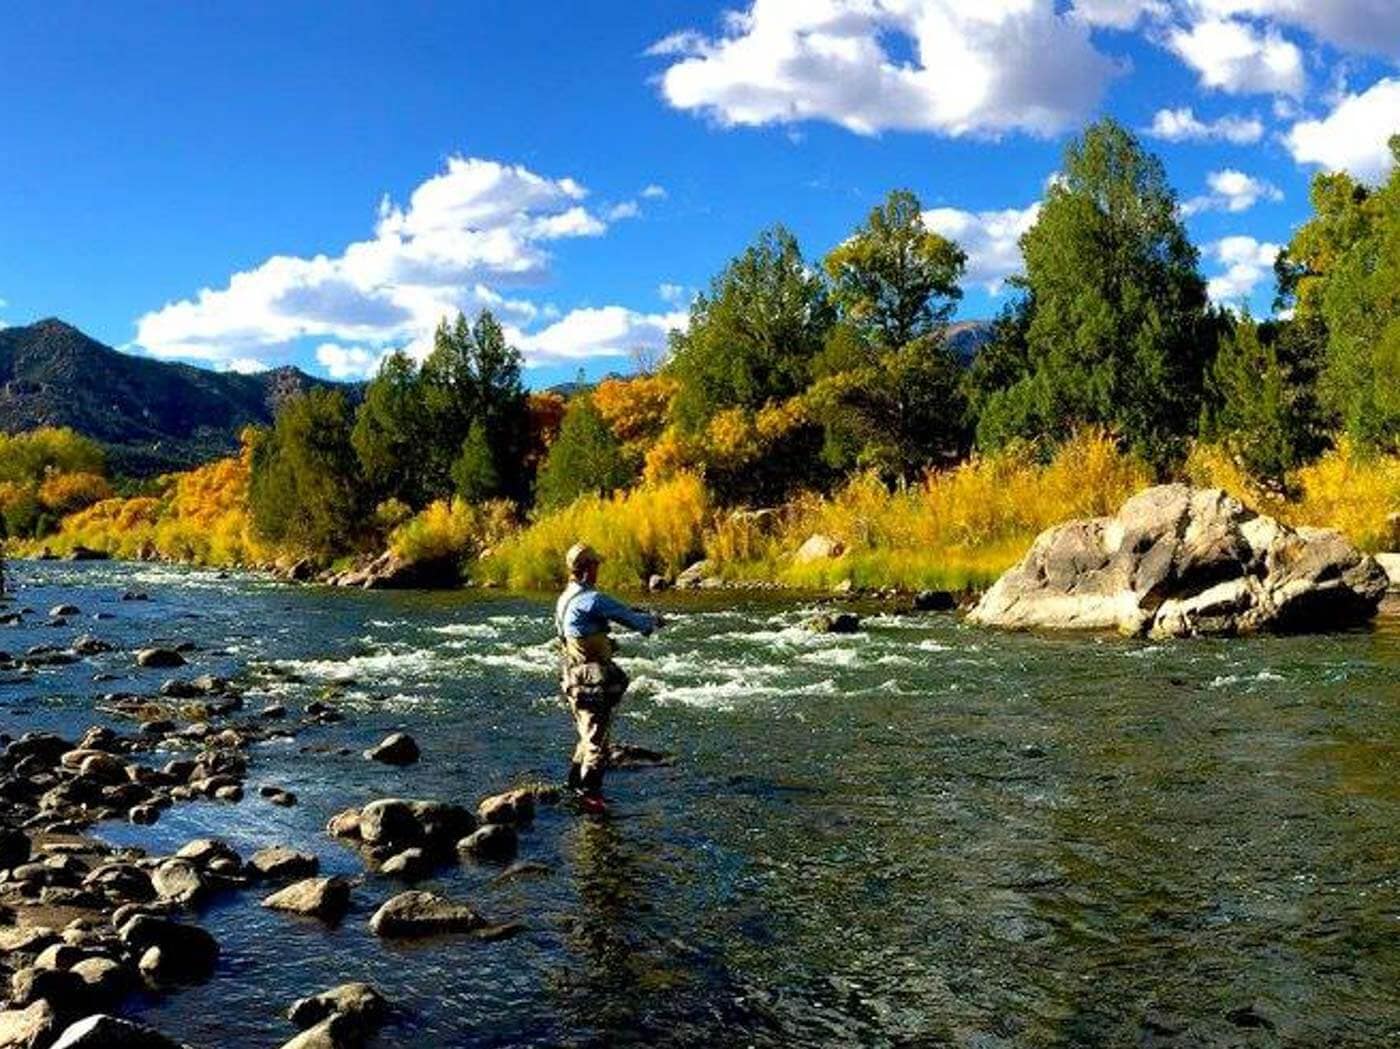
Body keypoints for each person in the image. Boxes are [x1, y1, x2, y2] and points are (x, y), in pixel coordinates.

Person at [555, 542, 660, 812]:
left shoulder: (565, 598)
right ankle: (590, 798)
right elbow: (636, 623)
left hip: (572, 678)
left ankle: (572, 787)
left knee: (587, 734)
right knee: (596, 742)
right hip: (591, 682)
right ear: (588, 569)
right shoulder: (593, 599)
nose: (599, 569)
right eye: (596, 565)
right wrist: (653, 621)